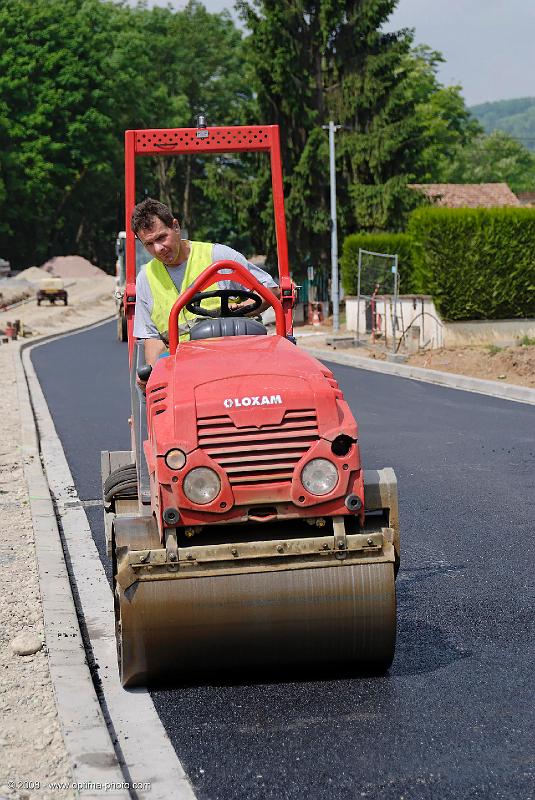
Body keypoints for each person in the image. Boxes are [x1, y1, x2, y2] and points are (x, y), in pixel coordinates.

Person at [131, 198, 279, 370]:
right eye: (149, 244)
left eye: (162, 237)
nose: (158, 249)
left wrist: (240, 310)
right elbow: (152, 339)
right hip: (183, 369)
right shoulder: (146, 279)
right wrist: (153, 375)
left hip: (235, 356)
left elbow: (271, 292)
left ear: (176, 227)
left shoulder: (219, 257)